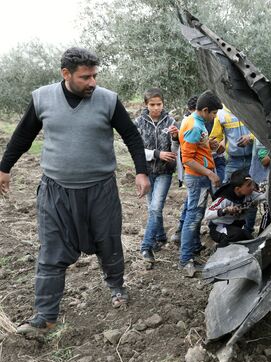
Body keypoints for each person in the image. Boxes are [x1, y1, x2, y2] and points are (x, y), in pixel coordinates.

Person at [0, 47, 150, 335]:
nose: (92, 82)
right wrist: (4, 167)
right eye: (85, 77)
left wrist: (141, 171)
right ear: (65, 74)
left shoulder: (108, 100)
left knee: (109, 242)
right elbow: (23, 135)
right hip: (56, 192)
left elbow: (131, 135)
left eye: (95, 75)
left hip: (101, 190)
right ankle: (45, 315)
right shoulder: (42, 98)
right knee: (51, 251)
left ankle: (117, 287)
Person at [178, 90, 222, 277]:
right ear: (205, 110)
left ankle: (192, 251)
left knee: (193, 213)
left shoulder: (198, 123)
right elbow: (187, 159)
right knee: (193, 217)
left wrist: (208, 145)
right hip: (198, 179)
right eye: (213, 113)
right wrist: (210, 174)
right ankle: (185, 259)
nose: (214, 117)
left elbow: (197, 149)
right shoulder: (195, 126)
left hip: (200, 176)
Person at [134, 88, 178, 268]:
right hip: (146, 172)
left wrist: (176, 138)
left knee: (155, 208)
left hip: (164, 173)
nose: (156, 108)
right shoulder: (139, 122)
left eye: (159, 104)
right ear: (146, 104)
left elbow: (175, 151)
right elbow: (135, 149)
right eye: (152, 104)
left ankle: (146, 247)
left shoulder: (171, 121)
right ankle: (160, 237)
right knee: (154, 209)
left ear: (163, 104)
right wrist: (156, 154)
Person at [205, 169, 264, 248]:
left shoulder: (250, 194)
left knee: (248, 237)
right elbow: (207, 214)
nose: (252, 187)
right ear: (237, 189)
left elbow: (263, 197)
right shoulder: (224, 199)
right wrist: (224, 210)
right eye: (249, 185)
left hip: (234, 227)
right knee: (239, 234)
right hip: (218, 228)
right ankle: (219, 250)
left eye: (252, 184)